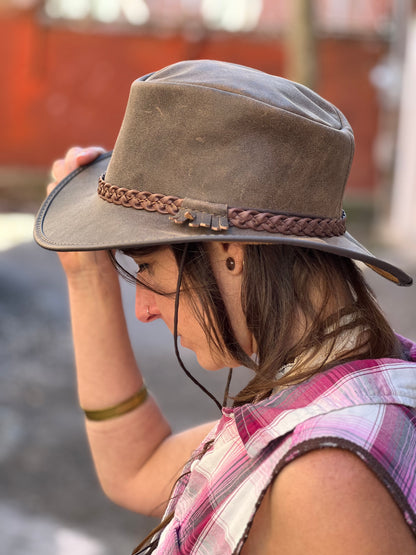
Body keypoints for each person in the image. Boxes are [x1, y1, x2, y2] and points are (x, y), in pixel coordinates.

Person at [34, 60, 416, 554]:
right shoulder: (332, 390)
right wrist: (87, 277)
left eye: (147, 267)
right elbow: (137, 467)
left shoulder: (328, 472)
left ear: (230, 254)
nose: (144, 309)